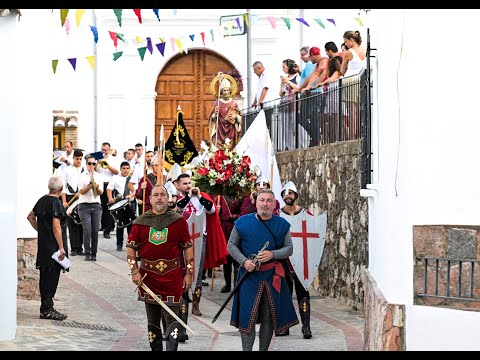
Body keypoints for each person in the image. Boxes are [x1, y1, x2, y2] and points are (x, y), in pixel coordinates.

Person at [227, 189, 299, 351]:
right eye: (262, 200)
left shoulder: (282, 224)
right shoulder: (242, 222)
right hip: (248, 276)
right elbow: (231, 245)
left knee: (268, 318)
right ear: (255, 202)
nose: (265, 204)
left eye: (268, 201)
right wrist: (244, 261)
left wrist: (273, 254)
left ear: (274, 204)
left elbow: (289, 249)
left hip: (272, 276)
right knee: (247, 319)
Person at [126, 184, 193, 351]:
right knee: (152, 320)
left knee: (172, 318)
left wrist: (189, 274)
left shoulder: (178, 221)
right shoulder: (141, 222)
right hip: (149, 277)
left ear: (168, 198)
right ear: (150, 199)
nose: (159, 198)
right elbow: (131, 248)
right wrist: (134, 271)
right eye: (155, 195)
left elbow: (187, 247)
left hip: (173, 277)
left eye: (162, 194)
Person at [175, 173, 227, 316]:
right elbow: (179, 208)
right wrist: (188, 197)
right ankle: (183, 299)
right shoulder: (178, 199)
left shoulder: (201, 197)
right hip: (183, 241)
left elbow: (211, 209)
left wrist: (198, 196)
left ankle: (196, 304)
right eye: (184, 183)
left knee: (197, 272)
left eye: (189, 182)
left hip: (199, 239)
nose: (188, 185)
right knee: (183, 270)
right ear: (178, 185)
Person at [27, 174, 68, 321]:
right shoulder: (56, 203)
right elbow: (57, 227)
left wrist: (40, 230)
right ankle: (46, 309)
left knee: (45, 276)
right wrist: (62, 247)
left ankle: (47, 306)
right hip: (53, 246)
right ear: (61, 189)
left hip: (44, 245)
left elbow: (30, 216)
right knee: (51, 276)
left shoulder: (42, 200)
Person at [277, 181, 314, 339]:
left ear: (296, 195)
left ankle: (306, 326)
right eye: (285, 193)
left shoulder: (306, 214)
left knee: (303, 293)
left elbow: (315, 233)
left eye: (290, 193)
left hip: (302, 260)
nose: (288, 196)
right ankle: (285, 326)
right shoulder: (277, 216)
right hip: (284, 261)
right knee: (284, 294)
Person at [77, 155, 104, 261]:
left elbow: (101, 193)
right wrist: (88, 186)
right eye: (89, 163)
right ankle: (87, 252)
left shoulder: (99, 176)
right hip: (84, 205)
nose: (91, 166)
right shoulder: (82, 176)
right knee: (87, 230)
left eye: (93, 164)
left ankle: (94, 253)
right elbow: (81, 192)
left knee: (95, 231)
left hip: (96, 205)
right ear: (86, 164)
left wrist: (96, 187)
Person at [107, 161, 137, 251]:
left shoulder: (132, 179)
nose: (125, 170)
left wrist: (131, 196)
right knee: (120, 224)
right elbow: (109, 188)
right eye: (124, 168)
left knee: (131, 224)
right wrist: (110, 198)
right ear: (120, 169)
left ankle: (130, 244)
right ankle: (119, 244)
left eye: (127, 168)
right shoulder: (115, 178)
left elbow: (136, 191)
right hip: (119, 203)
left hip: (130, 203)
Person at [217, 194, 243, 293]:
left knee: (237, 259)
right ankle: (227, 284)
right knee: (227, 260)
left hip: (238, 226)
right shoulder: (222, 196)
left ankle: (236, 284)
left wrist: (236, 216)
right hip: (226, 229)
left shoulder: (242, 196)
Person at [61, 149, 85, 256]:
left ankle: (81, 247)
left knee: (82, 223)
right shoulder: (67, 170)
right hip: (70, 196)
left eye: (80, 159)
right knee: (72, 223)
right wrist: (64, 201)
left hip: (82, 197)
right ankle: (74, 248)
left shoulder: (85, 170)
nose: (79, 161)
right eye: (77, 159)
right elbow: (63, 187)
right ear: (73, 158)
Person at [209, 77, 242, 149]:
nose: (226, 92)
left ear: (230, 91)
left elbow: (239, 117)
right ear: (221, 92)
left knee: (230, 149)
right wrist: (215, 113)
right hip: (220, 130)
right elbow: (212, 118)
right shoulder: (217, 103)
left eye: (227, 90)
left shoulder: (233, 103)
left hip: (231, 130)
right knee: (220, 148)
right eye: (224, 90)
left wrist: (236, 117)